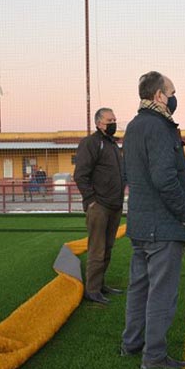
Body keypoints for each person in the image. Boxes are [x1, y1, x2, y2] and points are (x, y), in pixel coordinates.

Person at [120, 71, 185, 369]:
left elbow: (130, 174)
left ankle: (132, 344)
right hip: (162, 226)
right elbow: (165, 179)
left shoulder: (133, 126)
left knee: (139, 288)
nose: (175, 97)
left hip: (140, 224)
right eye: (172, 92)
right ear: (158, 96)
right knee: (161, 293)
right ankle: (153, 356)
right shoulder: (159, 127)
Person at [74, 108, 125, 305]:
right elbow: (80, 175)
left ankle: (100, 284)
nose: (113, 123)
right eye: (109, 120)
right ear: (98, 123)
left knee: (108, 247)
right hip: (100, 206)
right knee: (97, 249)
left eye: (114, 119)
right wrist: (91, 199)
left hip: (114, 205)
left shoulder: (112, 144)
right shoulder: (91, 143)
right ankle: (92, 290)